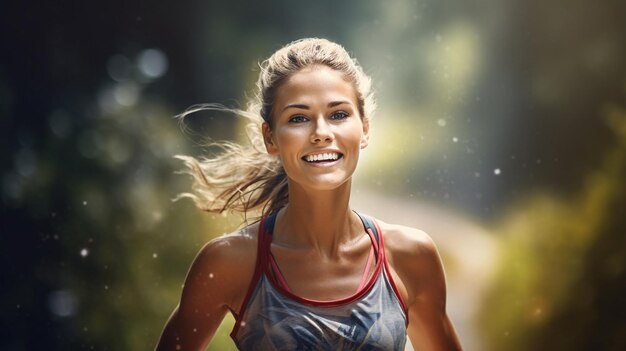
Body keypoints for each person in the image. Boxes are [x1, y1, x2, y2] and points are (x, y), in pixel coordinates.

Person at [156, 38, 462, 350]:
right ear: (270, 138)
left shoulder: (411, 256)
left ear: (365, 129)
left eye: (339, 114)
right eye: (298, 118)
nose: (321, 132)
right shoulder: (228, 262)